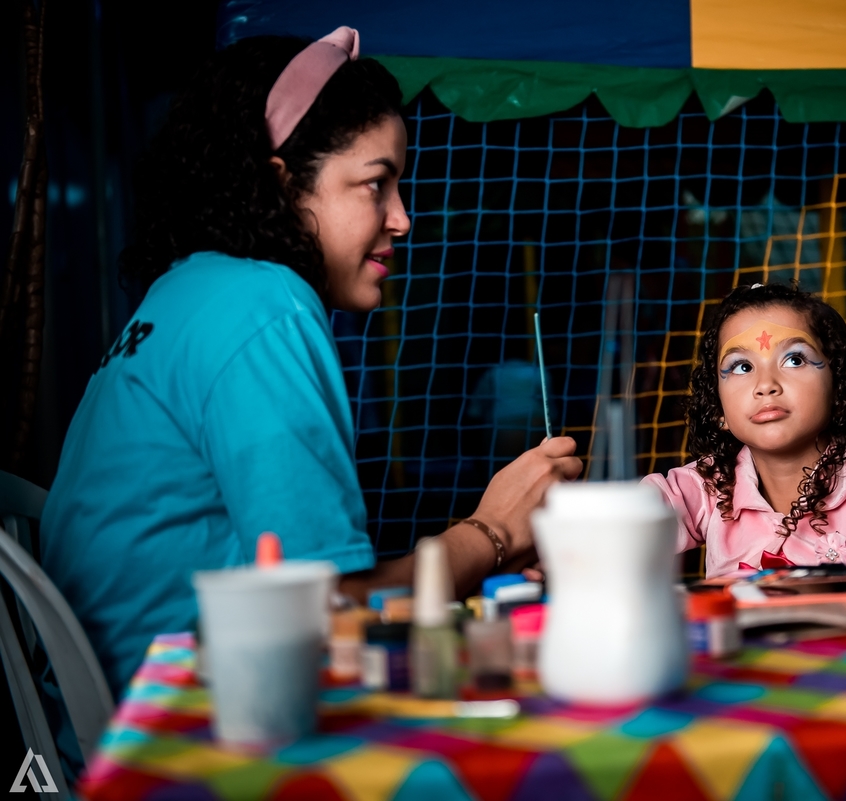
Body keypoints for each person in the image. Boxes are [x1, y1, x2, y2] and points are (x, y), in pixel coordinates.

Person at [39, 29, 581, 708]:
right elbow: (328, 613)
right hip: (186, 727)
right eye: (375, 185)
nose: (403, 219)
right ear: (282, 184)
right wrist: (495, 530)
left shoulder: (185, 291)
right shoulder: (267, 305)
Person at [643, 284, 846, 576]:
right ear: (718, 410)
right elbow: (627, 523)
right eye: (741, 367)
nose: (766, 385)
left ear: (839, 386)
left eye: (794, 359)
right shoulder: (712, 485)